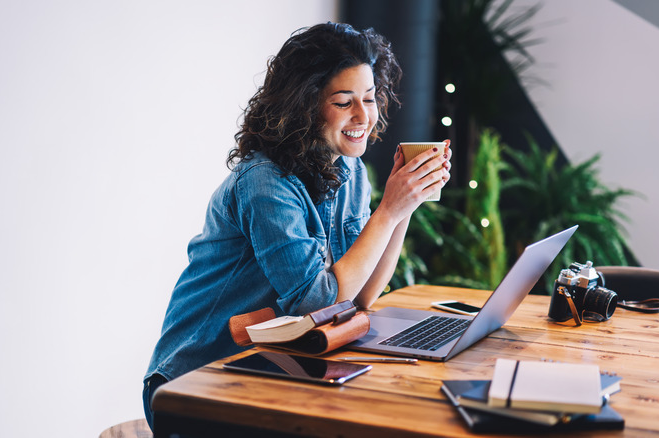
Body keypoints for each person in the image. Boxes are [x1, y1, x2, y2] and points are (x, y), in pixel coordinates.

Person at [142, 22, 451, 430]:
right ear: (305, 104)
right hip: (198, 383)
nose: (364, 116)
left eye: (370, 98)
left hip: (273, 369)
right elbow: (316, 303)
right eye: (344, 103)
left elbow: (358, 297)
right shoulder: (264, 182)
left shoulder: (350, 169)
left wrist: (406, 206)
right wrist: (388, 212)